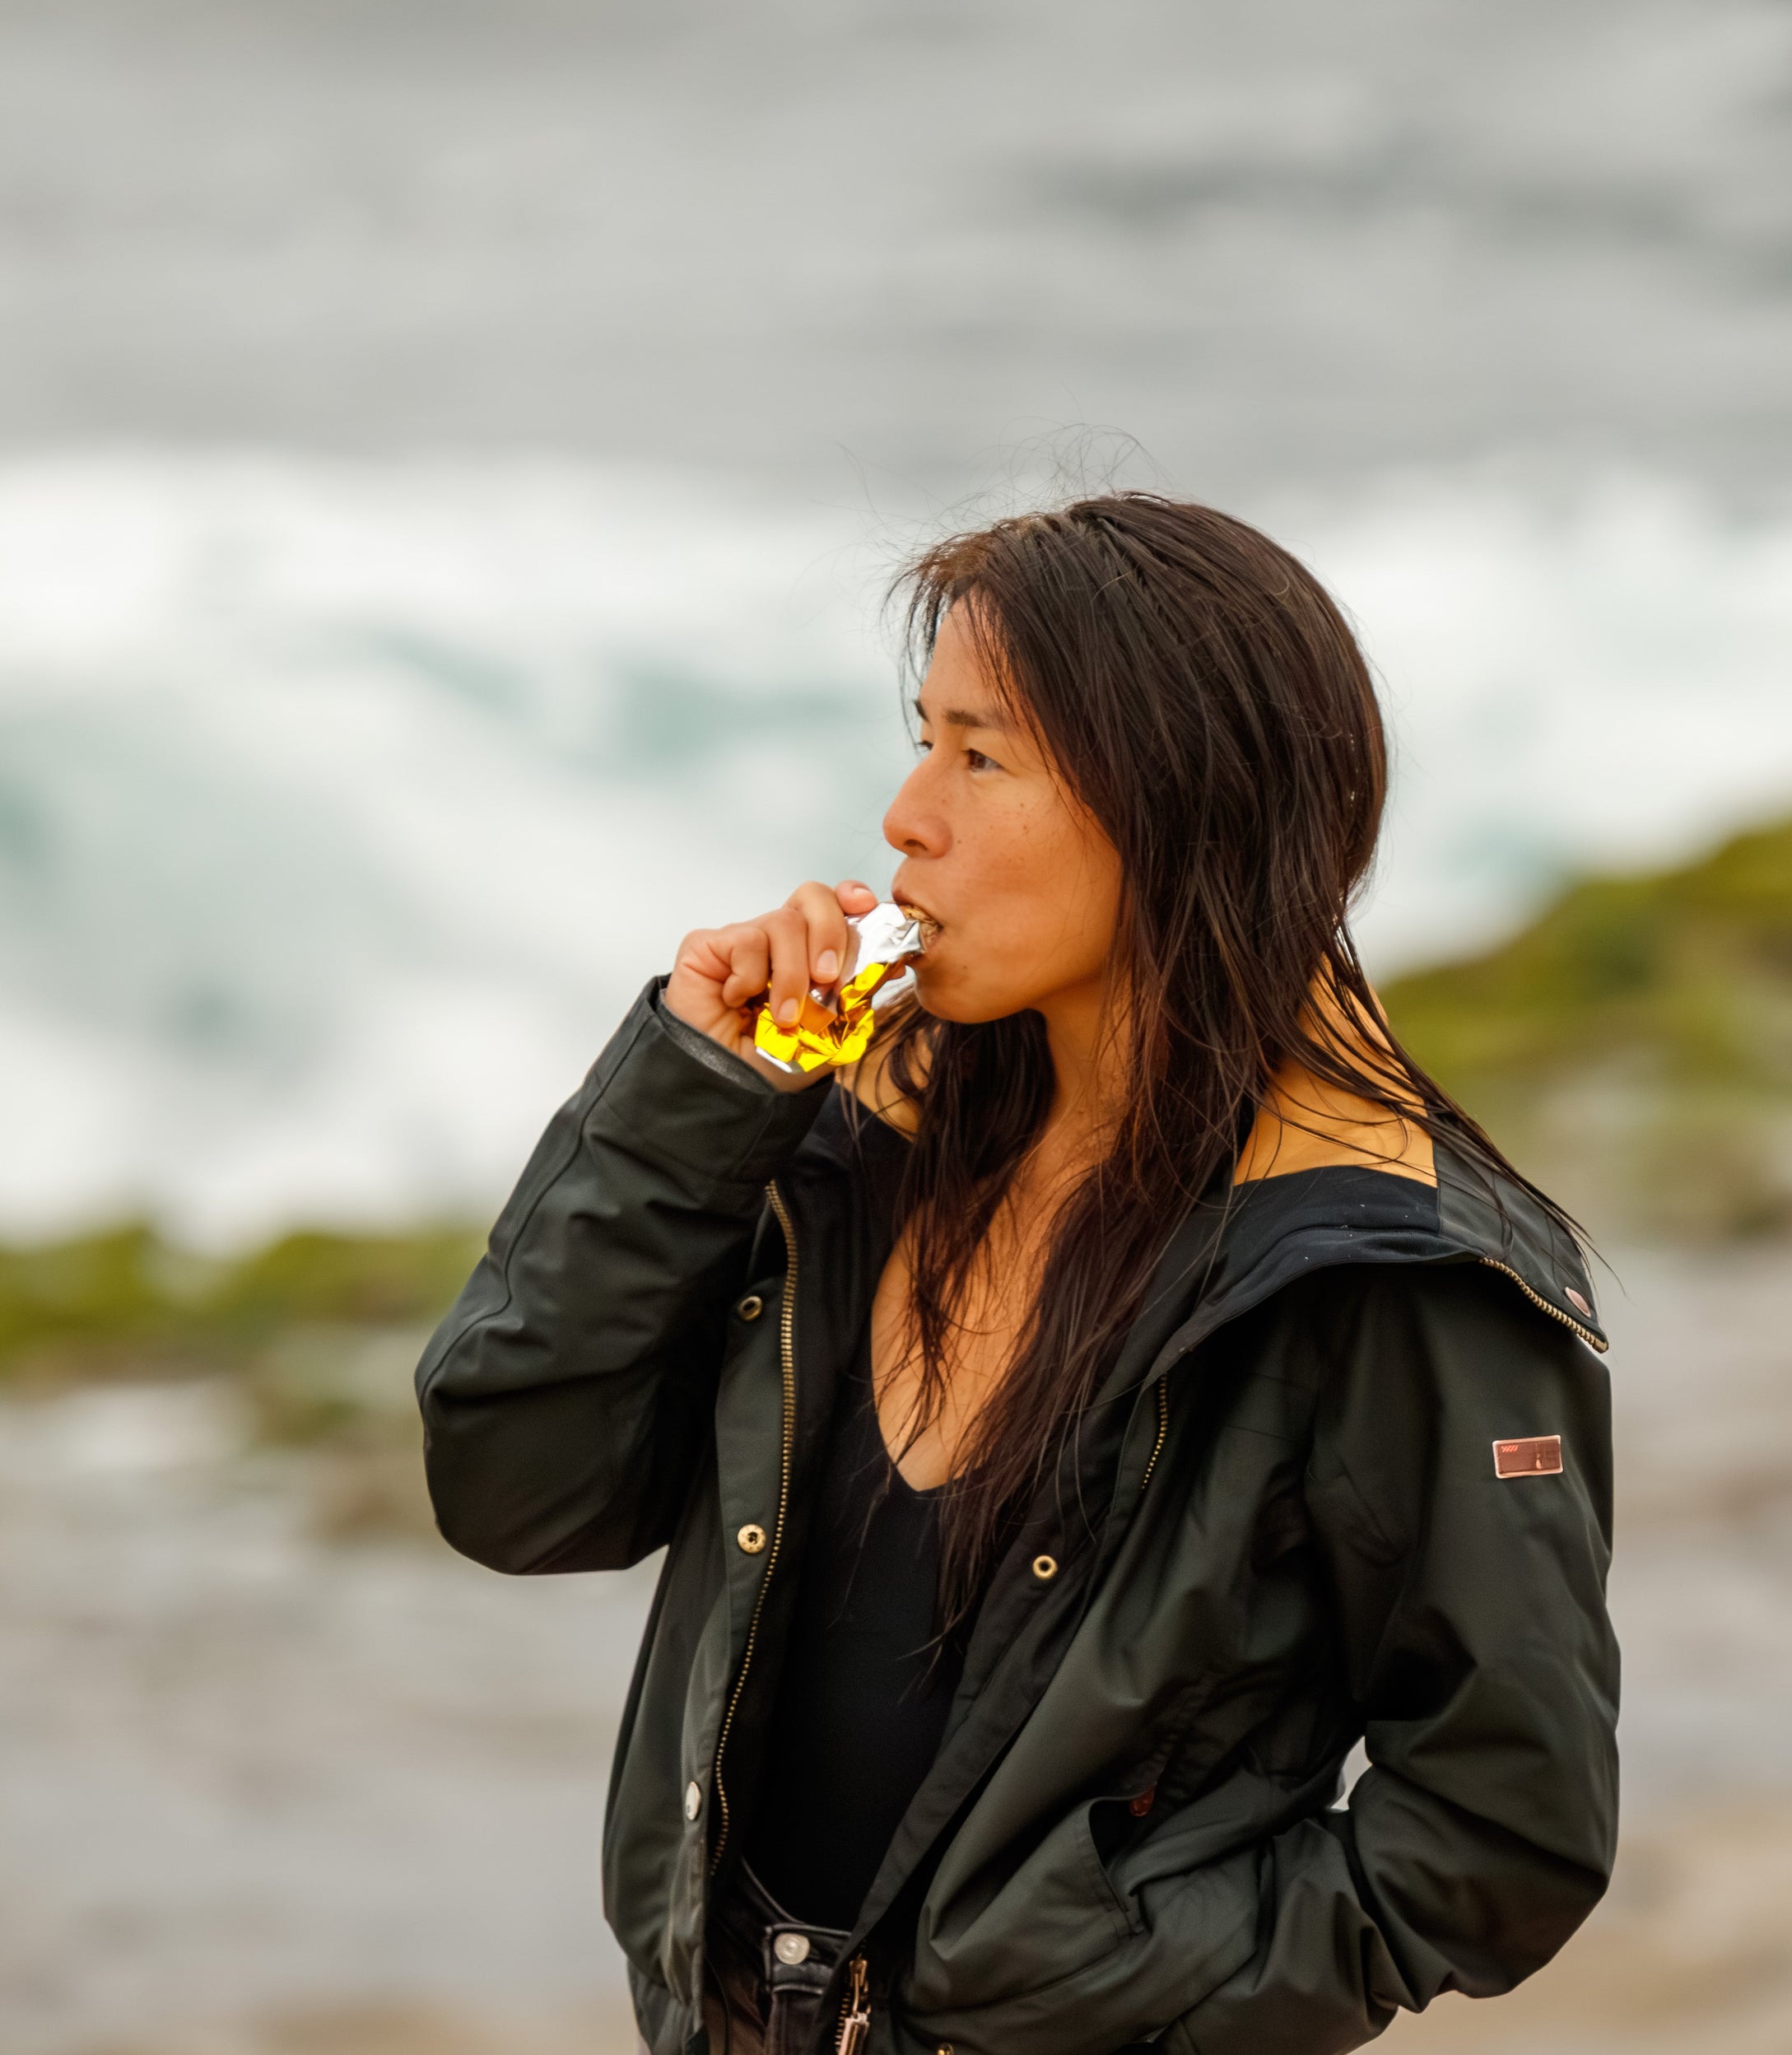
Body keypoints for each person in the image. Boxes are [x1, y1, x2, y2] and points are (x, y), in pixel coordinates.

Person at [415, 494, 1618, 2055]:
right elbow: (517, 1489)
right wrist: (690, 1106)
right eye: (923, 740)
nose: (909, 813)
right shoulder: (853, 1141)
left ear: (1184, 807)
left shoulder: (1389, 1273)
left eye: (982, 757)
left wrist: (1103, 1989)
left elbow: (1505, 1833)